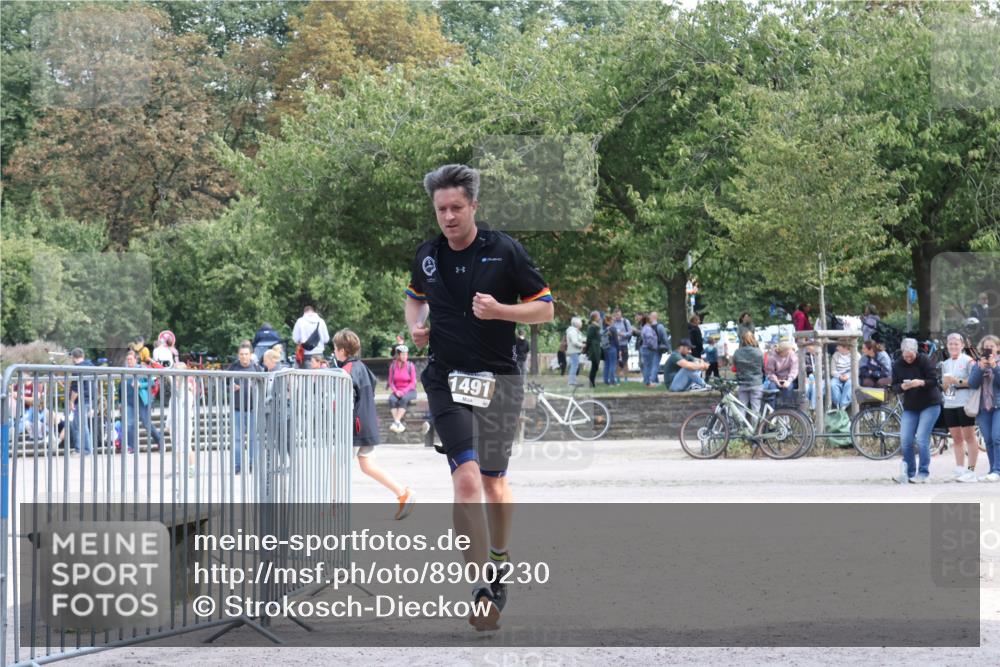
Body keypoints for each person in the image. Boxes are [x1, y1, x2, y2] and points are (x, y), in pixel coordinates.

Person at [405, 164, 553, 631]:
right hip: (446, 379)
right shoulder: (427, 255)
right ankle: (480, 589)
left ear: (473, 207)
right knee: (466, 480)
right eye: (440, 209)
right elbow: (414, 296)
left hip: (500, 379)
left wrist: (500, 310)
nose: (447, 217)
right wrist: (416, 326)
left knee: (493, 484)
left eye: (455, 208)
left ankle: (499, 556)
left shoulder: (504, 251)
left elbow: (546, 309)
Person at [334, 329, 416, 515]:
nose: (334, 352)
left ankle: (335, 506)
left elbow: (343, 400)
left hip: (355, 426)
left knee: (336, 465)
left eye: (335, 348)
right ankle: (403, 493)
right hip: (367, 423)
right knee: (367, 465)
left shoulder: (346, 370)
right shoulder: (362, 367)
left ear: (342, 350)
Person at [891, 338, 943, 484]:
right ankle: (909, 472)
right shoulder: (897, 364)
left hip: (930, 404)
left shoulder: (924, 360)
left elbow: (934, 381)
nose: (908, 358)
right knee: (906, 440)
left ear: (915, 352)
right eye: (905, 355)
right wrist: (903, 387)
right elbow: (894, 387)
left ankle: (923, 473)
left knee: (921, 438)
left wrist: (921, 382)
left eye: (911, 355)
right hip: (911, 406)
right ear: (902, 352)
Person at [939, 333, 979, 482]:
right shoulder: (945, 363)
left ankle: (971, 471)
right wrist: (946, 385)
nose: (953, 346)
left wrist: (956, 380)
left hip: (965, 403)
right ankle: (960, 469)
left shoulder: (969, 361)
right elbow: (945, 387)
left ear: (962, 345)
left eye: (956, 343)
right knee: (956, 438)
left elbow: (974, 382)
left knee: (969, 436)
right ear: (947, 346)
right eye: (950, 343)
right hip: (950, 403)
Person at [119, 349, 165, 454]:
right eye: (127, 359)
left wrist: (140, 385)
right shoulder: (124, 370)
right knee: (129, 424)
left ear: (136, 360)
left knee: (146, 423)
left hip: (141, 401)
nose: (129, 361)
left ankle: (160, 441)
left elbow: (152, 383)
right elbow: (120, 387)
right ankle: (132, 447)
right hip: (129, 402)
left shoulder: (142, 368)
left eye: (131, 359)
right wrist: (120, 402)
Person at [227, 341, 263, 474]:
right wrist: (230, 387)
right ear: (238, 355)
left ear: (251, 355)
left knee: (254, 438)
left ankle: (253, 464)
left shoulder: (256, 367)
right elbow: (224, 383)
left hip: (253, 409)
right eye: (241, 354)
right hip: (237, 409)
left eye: (246, 354)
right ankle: (238, 465)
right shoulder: (233, 367)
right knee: (237, 439)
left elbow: (263, 384)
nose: (243, 357)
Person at [969, 334, 1000, 482]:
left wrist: (994, 367)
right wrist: (980, 368)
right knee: (987, 439)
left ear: (998, 348)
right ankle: (992, 469)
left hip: (998, 406)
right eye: (986, 348)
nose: (988, 350)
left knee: (997, 437)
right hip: (983, 407)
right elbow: (973, 384)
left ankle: (997, 470)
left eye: (991, 347)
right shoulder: (978, 363)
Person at [67, 348, 95, 454]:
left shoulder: (77, 369)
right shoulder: (91, 366)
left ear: (73, 358)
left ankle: (86, 449)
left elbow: (76, 388)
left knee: (81, 425)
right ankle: (80, 448)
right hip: (90, 398)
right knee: (78, 424)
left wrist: (71, 401)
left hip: (81, 399)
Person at [731, 331, 764, 413]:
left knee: (741, 408)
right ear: (753, 339)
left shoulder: (737, 352)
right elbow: (763, 367)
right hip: (756, 383)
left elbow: (734, 366)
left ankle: (742, 425)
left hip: (742, 383)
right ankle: (755, 426)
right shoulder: (759, 352)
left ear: (742, 340)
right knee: (756, 409)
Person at [388, 345, 418, 433]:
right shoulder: (393, 366)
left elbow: (413, 382)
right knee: (391, 399)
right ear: (398, 355)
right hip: (397, 390)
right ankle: (398, 423)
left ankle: (396, 422)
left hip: (409, 391)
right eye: (403, 354)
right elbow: (391, 382)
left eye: (406, 354)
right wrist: (396, 391)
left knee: (403, 399)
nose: (405, 356)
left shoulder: (410, 365)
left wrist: (404, 391)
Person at [764, 341, 799, 406]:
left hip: (788, 379)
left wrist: (788, 381)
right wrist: (777, 381)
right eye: (788, 351)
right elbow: (769, 372)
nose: (790, 352)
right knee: (771, 389)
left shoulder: (792, 355)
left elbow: (794, 370)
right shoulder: (772, 357)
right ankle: (772, 412)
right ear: (783, 351)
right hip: (775, 379)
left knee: (789, 388)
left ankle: (786, 410)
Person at [829, 342, 853, 409]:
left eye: (839, 346)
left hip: (850, 376)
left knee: (849, 384)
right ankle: (838, 405)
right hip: (838, 376)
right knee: (833, 384)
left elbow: (856, 370)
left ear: (845, 347)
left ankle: (843, 405)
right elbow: (833, 371)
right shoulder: (835, 355)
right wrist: (839, 376)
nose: (837, 348)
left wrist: (847, 376)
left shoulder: (855, 355)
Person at [639, 315, 659, 387]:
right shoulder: (648, 328)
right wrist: (653, 347)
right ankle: (648, 383)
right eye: (651, 318)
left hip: (646, 349)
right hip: (648, 349)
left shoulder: (645, 328)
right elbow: (649, 339)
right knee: (648, 366)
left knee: (647, 366)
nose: (652, 320)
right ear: (648, 320)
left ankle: (646, 381)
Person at [600, 314, 619, 385]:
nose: (614, 321)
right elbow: (616, 341)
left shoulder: (604, 328)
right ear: (610, 320)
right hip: (612, 347)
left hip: (605, 348)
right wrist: (618, 350)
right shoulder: (613, 328)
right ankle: (612, 381)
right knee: (612, 365)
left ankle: (605, 380)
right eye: (613, 320)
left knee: (607, 364)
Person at [566, 317, 585, 387]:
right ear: (577, 323)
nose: (581, 323)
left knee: (575, 366)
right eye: (580, 322)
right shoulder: (572, 331)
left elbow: (580, 338)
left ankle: (573, 381)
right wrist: (582, 345)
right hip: (573, 351)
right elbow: (574, 342)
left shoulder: (576, 331)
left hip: (575, 351)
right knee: (574, 366)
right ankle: (571, 382)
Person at [585, 311, 602, 388]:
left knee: (596, 366)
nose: (600, 317)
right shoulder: (592, 327)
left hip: (597, 347)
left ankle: (592, 382)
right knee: (594, 365)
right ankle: (591, 383)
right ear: (595, 317)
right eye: (598, 316)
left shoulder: (596, 326)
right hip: (593, 348)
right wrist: (586, 349)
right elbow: (589, 339)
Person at [612, 309, 632, 373]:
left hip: (623, 344)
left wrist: (622, 334)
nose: (617, 316)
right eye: (615, 315)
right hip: (615, 345)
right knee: (616, 361)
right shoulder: (613, 322)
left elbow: (630, 332)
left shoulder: (626, 322)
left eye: (618, 315)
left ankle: (625, 376)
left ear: (621, 314)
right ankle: (617, 376)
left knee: (625, 360)